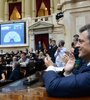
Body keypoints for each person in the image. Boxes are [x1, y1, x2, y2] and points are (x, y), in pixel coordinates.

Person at [43, 24, 90, 97]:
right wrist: (68, 72)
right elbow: (77, 83)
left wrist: (50, 67)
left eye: (81, 41)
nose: (77, 46)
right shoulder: (86, 65)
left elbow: (53, 87)